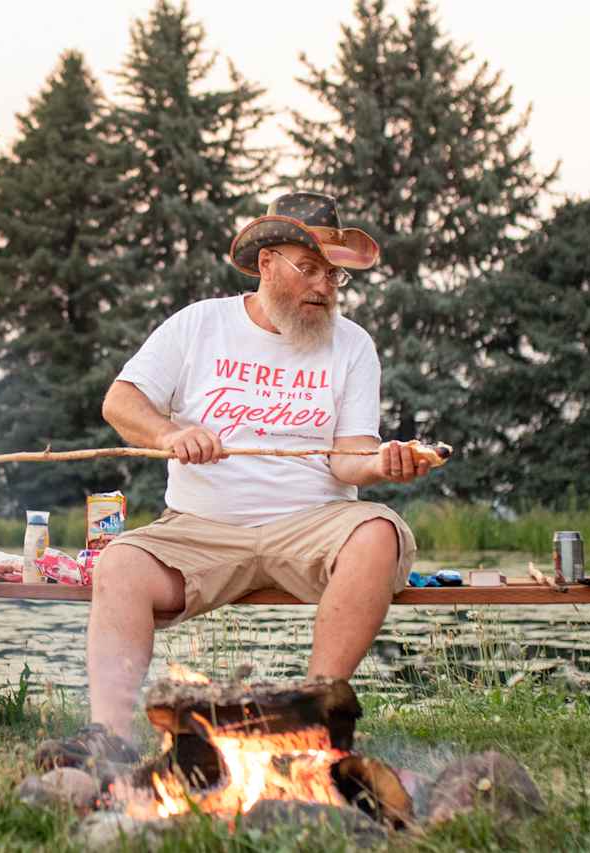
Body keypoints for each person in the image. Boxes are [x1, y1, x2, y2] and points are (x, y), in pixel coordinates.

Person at [37, 191, 438, 769]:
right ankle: (109, 736)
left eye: (333, 274)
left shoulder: (352, 345)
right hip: (201, 528)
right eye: (309, 269)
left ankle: (316, 718)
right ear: (267, 262)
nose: (324, 286)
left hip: (312, 524)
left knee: (378, 531)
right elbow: (121, 402)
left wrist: (383, 463)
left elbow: (349, 459)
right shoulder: (199, 323)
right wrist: (171, 434)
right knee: (121, 562)